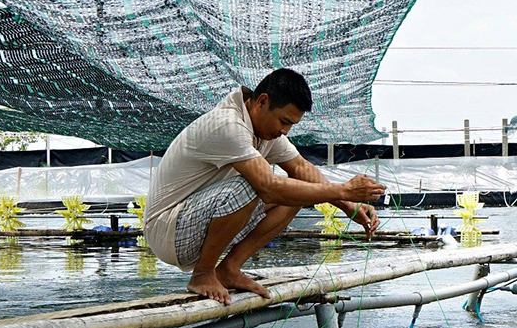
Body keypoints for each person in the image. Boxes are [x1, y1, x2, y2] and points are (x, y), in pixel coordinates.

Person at [142, 67, 386, 305]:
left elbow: (302, 169)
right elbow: (267, 186)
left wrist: (350, 205)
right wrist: (343, 190)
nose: (284, 131)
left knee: (295, 190)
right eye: (283, 121)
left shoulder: (266, 132)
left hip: (195, 225)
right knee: (253, 185)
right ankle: (203, 274)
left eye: (291, 125)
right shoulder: (227, 124)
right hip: (168, 231)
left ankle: (229, 269)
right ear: (262, 102)